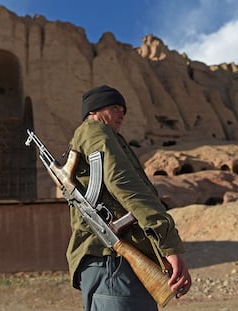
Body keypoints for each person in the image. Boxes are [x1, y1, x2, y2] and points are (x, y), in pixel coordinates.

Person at [66, 85, 191, 311]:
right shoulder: (95, 131)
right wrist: (169, 244)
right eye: (114, 107)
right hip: (111, 261)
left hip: (114, 262)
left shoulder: (105, 136)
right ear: (94, 110)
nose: (122, 113)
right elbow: (123, 183)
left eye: (123, 108)